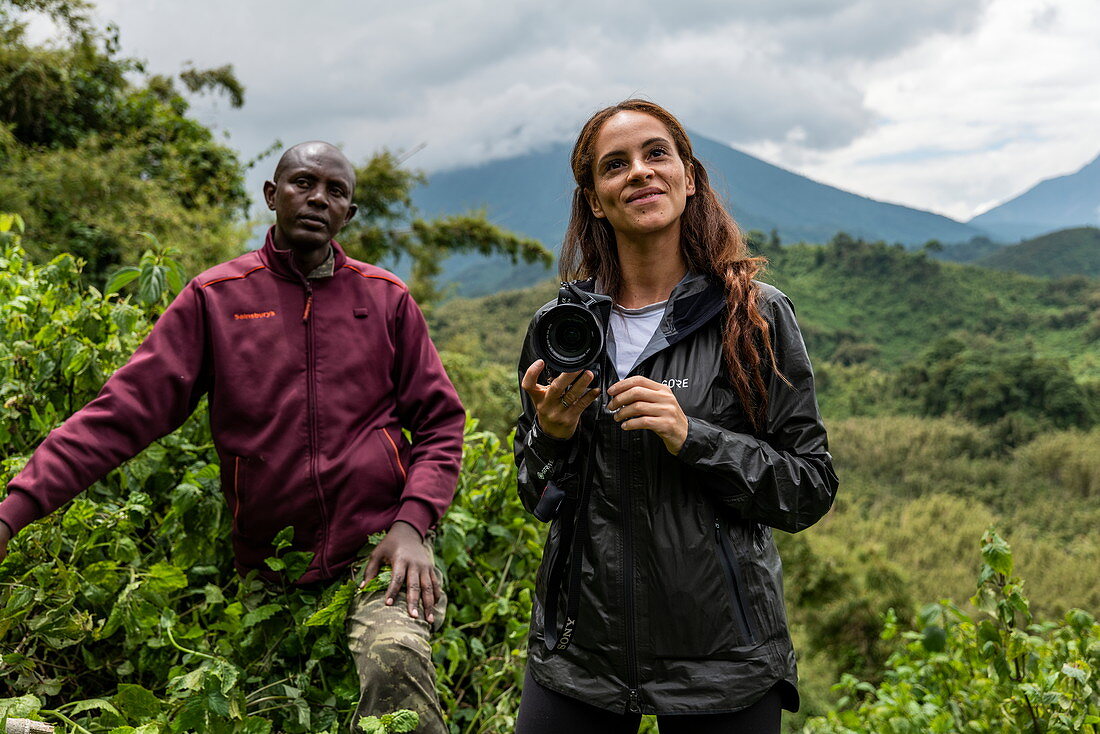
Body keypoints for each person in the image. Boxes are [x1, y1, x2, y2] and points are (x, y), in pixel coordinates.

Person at [0, 141, 465, 733]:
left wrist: (412, 525)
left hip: (379, 552)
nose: (318, 197)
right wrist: (12, 513)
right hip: (271, 569)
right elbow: (121, 414)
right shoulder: (217, 299)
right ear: (272, 196)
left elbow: (442, 422)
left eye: (336, 191)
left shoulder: (385, 300)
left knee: (394, 663)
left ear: (349, 213)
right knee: (272, 712)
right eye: (302, 183)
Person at [514, 101, 839, 733]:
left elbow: (809, 486)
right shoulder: (562, 330)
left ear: (689, 179)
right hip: (580, 656)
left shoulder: (756, 317)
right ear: (595, 200)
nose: (639, 172)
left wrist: (694, 437)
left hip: (725, 662)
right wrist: (548, 435)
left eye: (656, 153)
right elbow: (534, 490)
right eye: (616, 165)